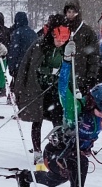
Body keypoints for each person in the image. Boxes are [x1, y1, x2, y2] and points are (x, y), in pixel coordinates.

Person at [14, 15, 70, 154]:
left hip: (55, 89)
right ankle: (37, 151)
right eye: (58, 40)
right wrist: (50, 71)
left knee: (58, 118)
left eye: (63, 40)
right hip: (39, 89)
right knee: (37, 119)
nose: (60, 43)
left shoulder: (65, 48)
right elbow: (34, 67)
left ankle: (58, 148)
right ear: (52, 35)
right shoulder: (41, 45)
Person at [7, 11, 37, 85]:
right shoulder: (33, 33)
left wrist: (11, 67)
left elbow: (14, 51)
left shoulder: (17, 33)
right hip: (32, 65)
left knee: (19, 87)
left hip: (20, 65)